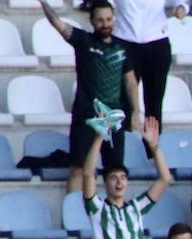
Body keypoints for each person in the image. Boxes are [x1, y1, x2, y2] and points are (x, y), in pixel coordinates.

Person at [41, 0, 140, 192]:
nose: (105, 24)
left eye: (109, 19)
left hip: (114, 118)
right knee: (79, 168)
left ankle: (112, 216)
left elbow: (131, 81)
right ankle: (73, 217)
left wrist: (136, 110)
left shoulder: (123, 47)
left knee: (115, 171)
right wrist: (43, 3)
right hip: (86, 116)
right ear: (92, 22)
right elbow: (57, 23)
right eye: (100, 20)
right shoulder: (84, 40)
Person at [82, 125, 172, 239]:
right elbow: (88, 175)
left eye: (123, 177)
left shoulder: (136, 207)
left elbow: (165, 179)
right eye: (113, 178)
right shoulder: (98, 209)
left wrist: (154, 146)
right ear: (105, 183)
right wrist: (99, 138)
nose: (119, 182)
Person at [112, 0, 176, 142]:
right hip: (124, 39)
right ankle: (121, 151)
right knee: (123, 103)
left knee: (154, 103)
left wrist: (181, 6)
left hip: (156, 40)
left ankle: (151, 151)